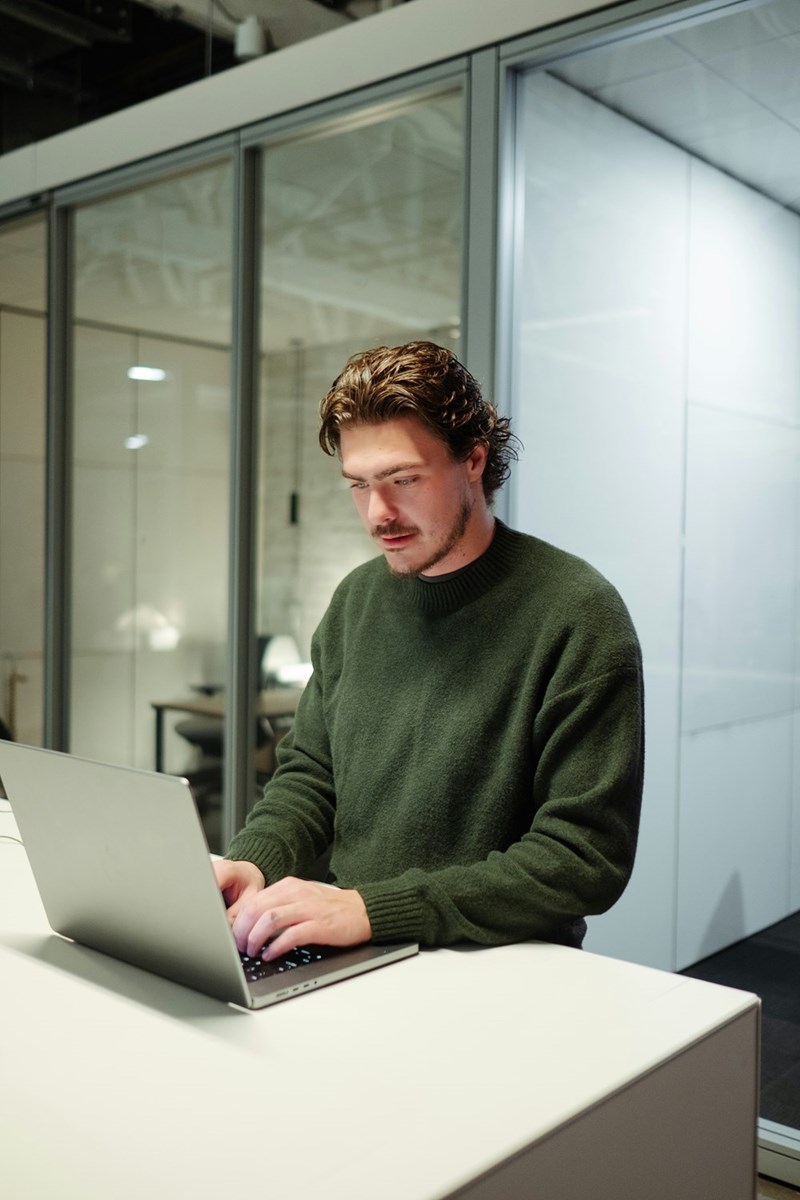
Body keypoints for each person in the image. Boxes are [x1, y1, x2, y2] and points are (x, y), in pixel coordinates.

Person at [215, 340, 644, 963]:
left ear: (473, 459)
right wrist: (252, 862)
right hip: (356, 948)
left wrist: (372, 909)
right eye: (358, 485)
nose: (377, 513)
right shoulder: (356, 602)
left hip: (502, 965)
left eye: (404, 480)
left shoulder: (577, 614)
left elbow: (583, 858)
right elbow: (310, 780)